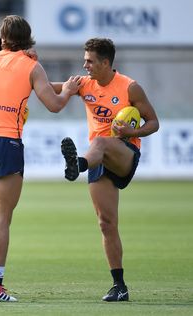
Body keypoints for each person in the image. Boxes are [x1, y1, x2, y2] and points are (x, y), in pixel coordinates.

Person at [0, 15, 81, 302]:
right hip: (7, 143)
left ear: (2, 38)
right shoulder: (32, 65)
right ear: (28, 38)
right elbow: (54, 105)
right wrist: (67, 90)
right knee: (2, 217)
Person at [56, 38, 159, 301]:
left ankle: (76, 165)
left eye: (90, 60)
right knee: (106, 223)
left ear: (105, 62)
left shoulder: (130, 87)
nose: (85, 65)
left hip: (124, 153)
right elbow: (47, 88)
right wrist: (31, 69)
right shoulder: (84, 85)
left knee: (100, 141)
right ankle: (119, 286)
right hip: (98, 159)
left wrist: (132, 132)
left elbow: (154, 122)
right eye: (85, 60)